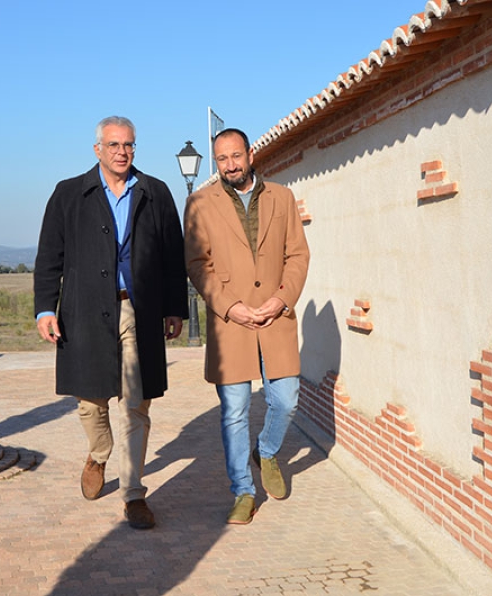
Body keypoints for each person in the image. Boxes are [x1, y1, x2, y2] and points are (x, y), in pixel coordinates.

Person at [34, 116, 188, 530]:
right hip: (84, 311)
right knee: (90, 401)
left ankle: (134, 494)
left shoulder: (155, 193)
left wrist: (175, 307)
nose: (123, 151)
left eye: (130, 145)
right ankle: (99, 454)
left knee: (136, 403)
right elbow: (50, 256)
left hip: (139, 310)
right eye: (114, 144)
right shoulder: (69, 194)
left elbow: (174, 256)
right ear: (98, 149)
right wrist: (45, 309)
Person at [184, 128, 310, 525]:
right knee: (234, 412)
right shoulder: (199, 203)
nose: (230, 165)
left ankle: (267, 450)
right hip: (231, 325)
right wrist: (228, 306)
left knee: (286, 400)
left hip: (276, 318)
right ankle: (242, 491)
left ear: (250, 154)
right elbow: (196, 264)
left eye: (236, 156)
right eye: (222, 159)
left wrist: (282, 298)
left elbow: (298, 255)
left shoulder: (282, 197)